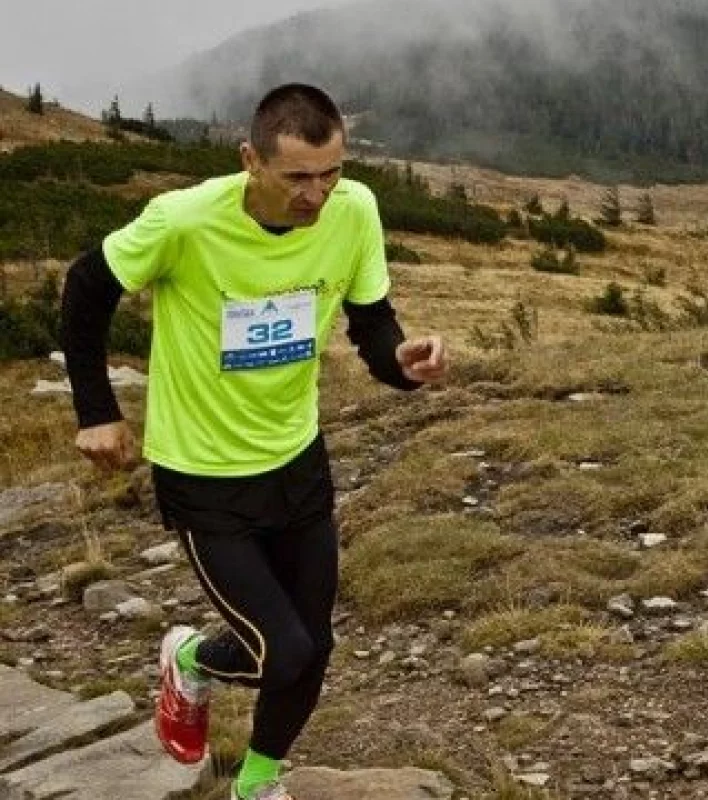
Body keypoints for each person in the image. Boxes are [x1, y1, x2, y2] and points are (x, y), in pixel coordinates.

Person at [60, 83, 447, 800]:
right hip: (203, 476)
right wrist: (96, 409)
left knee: (314, 646)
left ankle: (256, 784)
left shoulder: (353, 211)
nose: (317, 194)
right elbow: (86, 286)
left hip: (296, 462)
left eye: (331, 173)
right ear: (250, 160)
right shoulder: (183, 222)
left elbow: (371, 324)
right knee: (288, 651)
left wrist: (401, 364)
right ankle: (192, 659)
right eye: (298, 176)